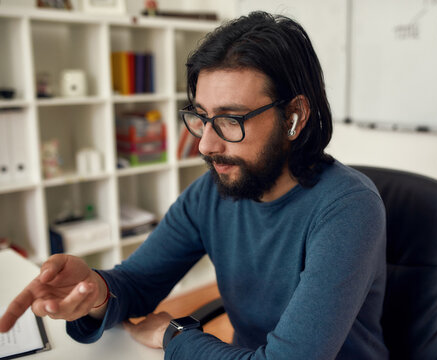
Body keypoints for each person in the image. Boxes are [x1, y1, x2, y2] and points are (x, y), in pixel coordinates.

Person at [0, 11, 388, 359]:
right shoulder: (214, 192)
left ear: (294, 116)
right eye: (202, 116)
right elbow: (138, 281)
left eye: (230, 119)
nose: (205, 144)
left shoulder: (348, 208)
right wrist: (95, 290)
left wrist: (176, 335)